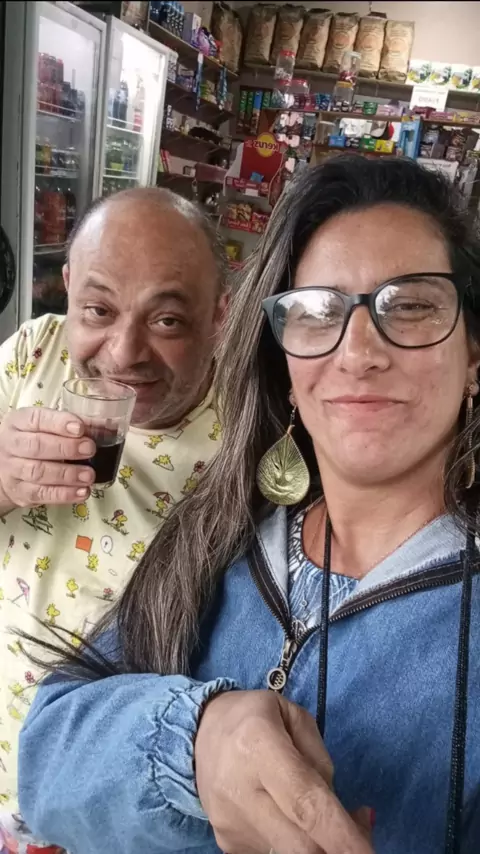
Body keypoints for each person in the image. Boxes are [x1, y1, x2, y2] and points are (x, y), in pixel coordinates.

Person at [17, 156, 480, 854]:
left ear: (473, 353)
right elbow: (46, 760)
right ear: (284, 361)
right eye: (317, 312)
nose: (359, 352)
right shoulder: (219, 536)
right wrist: (190, 745)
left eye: (411, 306)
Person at [0, 188, 227, 850]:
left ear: (219, 315)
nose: (124, 353)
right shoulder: (32, 353)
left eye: (168, 321)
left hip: (106, 808)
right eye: (98, 310)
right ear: (67, 285)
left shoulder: (252, 435)